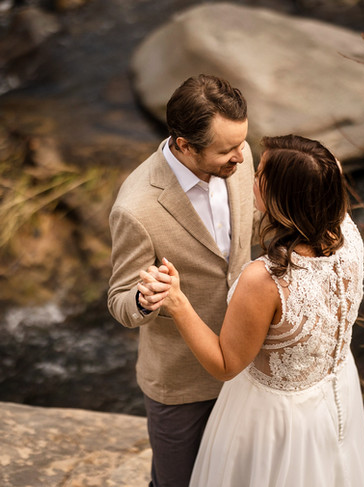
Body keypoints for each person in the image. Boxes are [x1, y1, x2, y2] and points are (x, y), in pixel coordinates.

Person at [158, 134, 364, 487]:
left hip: (276, 420)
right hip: (336, 394)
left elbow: (225, 365)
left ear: (281, 196)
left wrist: (178, 302)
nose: (248, 170)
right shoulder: (346, 233)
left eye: (258, 173)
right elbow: (329, 170)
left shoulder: (266, 279)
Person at [107, 74, 260, 487]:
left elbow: (253, 231)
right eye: (227, 150)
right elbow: (119, 300)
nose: (241, 157)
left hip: (245, 364)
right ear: (183, 145)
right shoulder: (136, 208)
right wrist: (145, 298)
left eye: (242, 143)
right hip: (181, 384)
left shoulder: (237, 157)